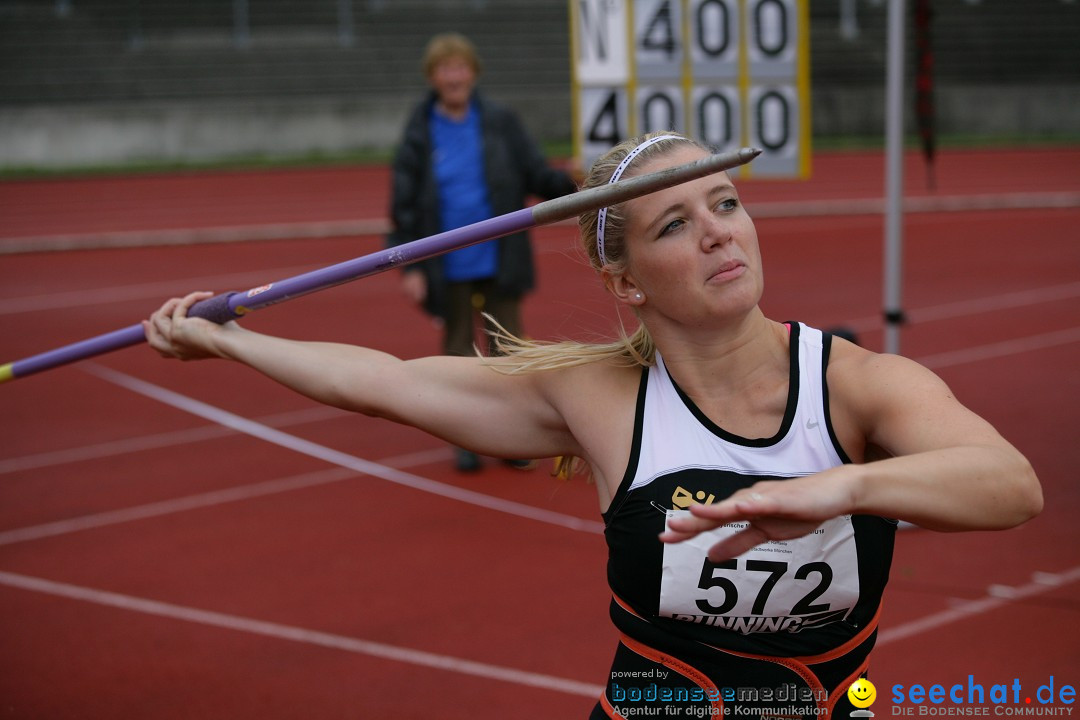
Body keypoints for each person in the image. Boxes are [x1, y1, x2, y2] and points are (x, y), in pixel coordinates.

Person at [144, 132, 1042, 720]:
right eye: (676, 224)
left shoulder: (855, 387)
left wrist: (837, 488)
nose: (720, 234)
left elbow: (1010, 486)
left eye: (727, 203)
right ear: (627, 282)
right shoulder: (599, 400)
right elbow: (384, 381)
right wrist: (228, 343)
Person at [386, 32, 579, 472]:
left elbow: (534, 173)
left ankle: (513, 438)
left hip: (500, 254)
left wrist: (574, 180)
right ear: (432, 77)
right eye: (444, 68)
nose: (454, 76)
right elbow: (404, 203)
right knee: (457, 353)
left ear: (473, 73)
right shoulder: (419, 131)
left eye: (461, 66)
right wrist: (408, 266)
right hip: (445, 259)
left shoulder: (500, 121)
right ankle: (465, 437)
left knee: (507, 350)